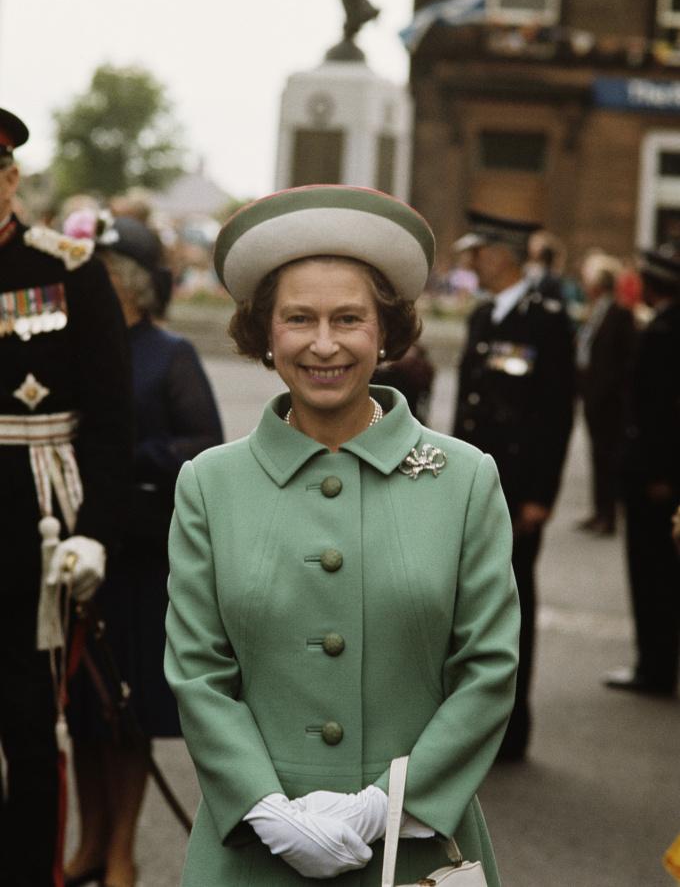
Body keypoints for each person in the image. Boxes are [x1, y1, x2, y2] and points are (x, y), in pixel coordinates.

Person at [164, 185, 520, 886]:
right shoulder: (210, 484)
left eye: (349, 319)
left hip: (415, 849)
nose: (324, 344)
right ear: (265, 334)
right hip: (250, 852)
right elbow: (199, 674)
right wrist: (266, 809)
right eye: (298, 319)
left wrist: (386, 807)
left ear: (385, 331)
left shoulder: (465, 478)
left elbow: (489, 669)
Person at [65, 216, 223, 887]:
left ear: (123, 280)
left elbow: (204, 443)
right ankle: (90, 844)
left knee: (124, 716)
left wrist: (127, 456)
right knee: (81, 714)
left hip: (140, 557)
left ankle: (123, 850)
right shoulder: (70, 347)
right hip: (75, 552)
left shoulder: (168, 353)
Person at [0, 107, 133, 887]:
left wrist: (97, 533)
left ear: (11, 179)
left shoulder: (68, 268)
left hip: (33, 536)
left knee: (29, 730)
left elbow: (112, 420)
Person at [452, 209, 575, 762]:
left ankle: (510, 729)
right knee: (467, 605)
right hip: (472, 487)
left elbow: (555, 416)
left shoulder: (546, 320)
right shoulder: (484, 316)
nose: (469, 263)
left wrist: (540, 496)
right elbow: (468, 408)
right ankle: (469, 723)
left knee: (513, 606)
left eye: (475, 253)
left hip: (517, 490)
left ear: (500, 255)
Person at [604, 241, 680, 697]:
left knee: (650, 574)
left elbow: (659, 414)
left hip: (655, 475)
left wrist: (659, 475)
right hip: (662, 472)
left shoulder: (664, 333)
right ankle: (658, 663)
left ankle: (653, 668)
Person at [575, 251, 636, 535]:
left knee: (608, 459)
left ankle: (608, 516)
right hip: (593, 399)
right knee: (597, 457)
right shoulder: (596, 310)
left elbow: (623, 363)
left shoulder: (620, 314)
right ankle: (599, 511)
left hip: (609, 404)